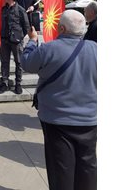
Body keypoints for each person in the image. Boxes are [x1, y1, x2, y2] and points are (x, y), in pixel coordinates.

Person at [20, 10, 97, 190]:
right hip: (89, 119)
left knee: (61, 168)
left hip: (57, 120)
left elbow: (27, 63)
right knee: (87, 166)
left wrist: (32, 40)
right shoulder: (96, 48)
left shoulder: (49, 49)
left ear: (61, 28)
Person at [0, 0, 30, 95]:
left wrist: (19, 36)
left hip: (16, 41)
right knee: (4, 62)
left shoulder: (20, 9)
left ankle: (18, 83)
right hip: (4, 39)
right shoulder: (3, 9)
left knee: (19, 62)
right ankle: (5, 82)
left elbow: (26, 26)